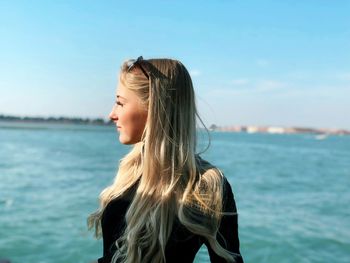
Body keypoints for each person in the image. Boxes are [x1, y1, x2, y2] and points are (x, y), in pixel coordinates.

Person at [88, 56, 244, 263]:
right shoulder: (129, 170)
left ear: (154, 108)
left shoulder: (208, 186)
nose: (111, 114)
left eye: (120, 103)